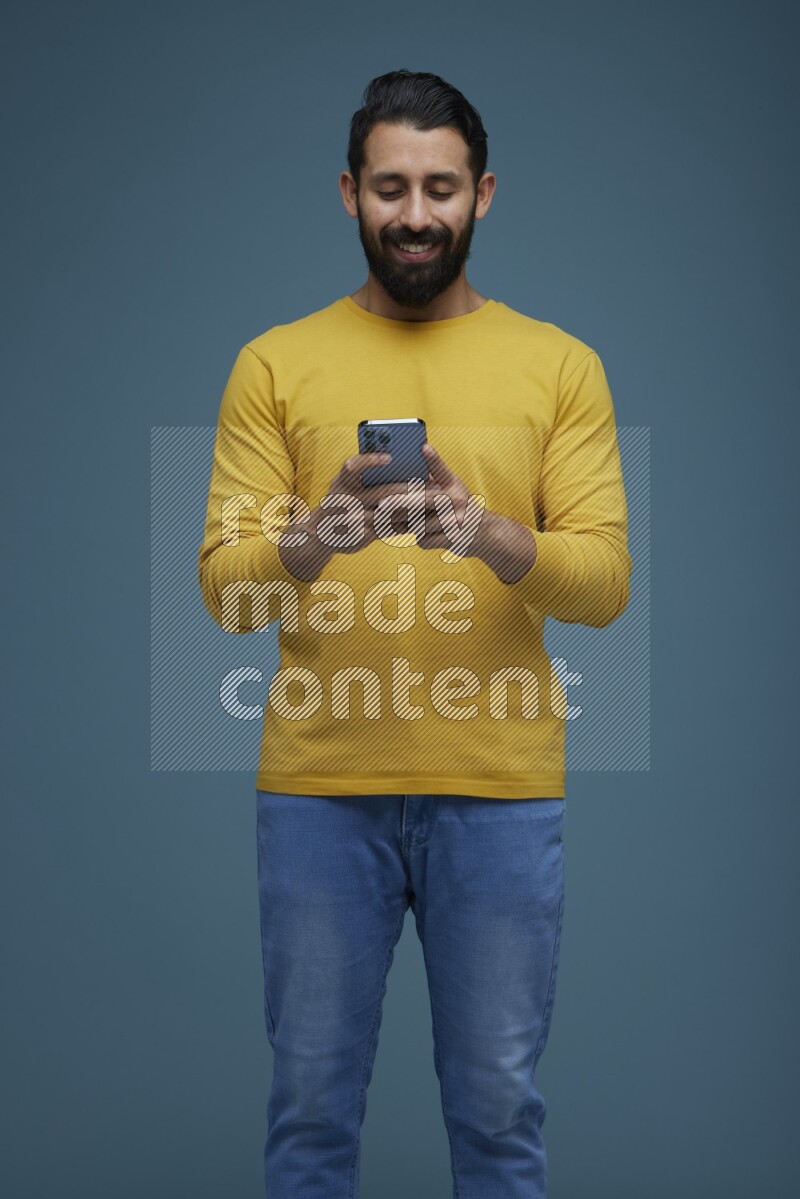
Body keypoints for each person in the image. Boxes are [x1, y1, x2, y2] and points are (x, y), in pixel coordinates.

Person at [198, 68, 632, 1199]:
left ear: (482, 194)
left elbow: (602, 587)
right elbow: (230, 598)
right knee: (307, 1110)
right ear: (349, 193)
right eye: (390, 186)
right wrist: (314, 538)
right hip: (316, 794)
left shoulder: (558, 364)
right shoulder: (274, 363)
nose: (415, 213)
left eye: (439, 186)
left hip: (497, 793)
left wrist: (488, 532)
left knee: (496, 1110)